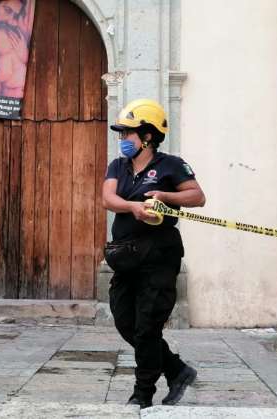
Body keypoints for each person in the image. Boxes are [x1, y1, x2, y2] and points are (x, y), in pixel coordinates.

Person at [102, 99, 206, 408]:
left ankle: (142, 394)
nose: (122, 140)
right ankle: (176, 369)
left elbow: (198, 197)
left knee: (147, 326)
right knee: (125, 321)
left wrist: (164, 195)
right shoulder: (117, 166)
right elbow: (108, 198)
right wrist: (133, 206)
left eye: (128, 133)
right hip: (126, 256)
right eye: (121, 134)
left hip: (159, 255)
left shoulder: (171, 165)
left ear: (148, 135)